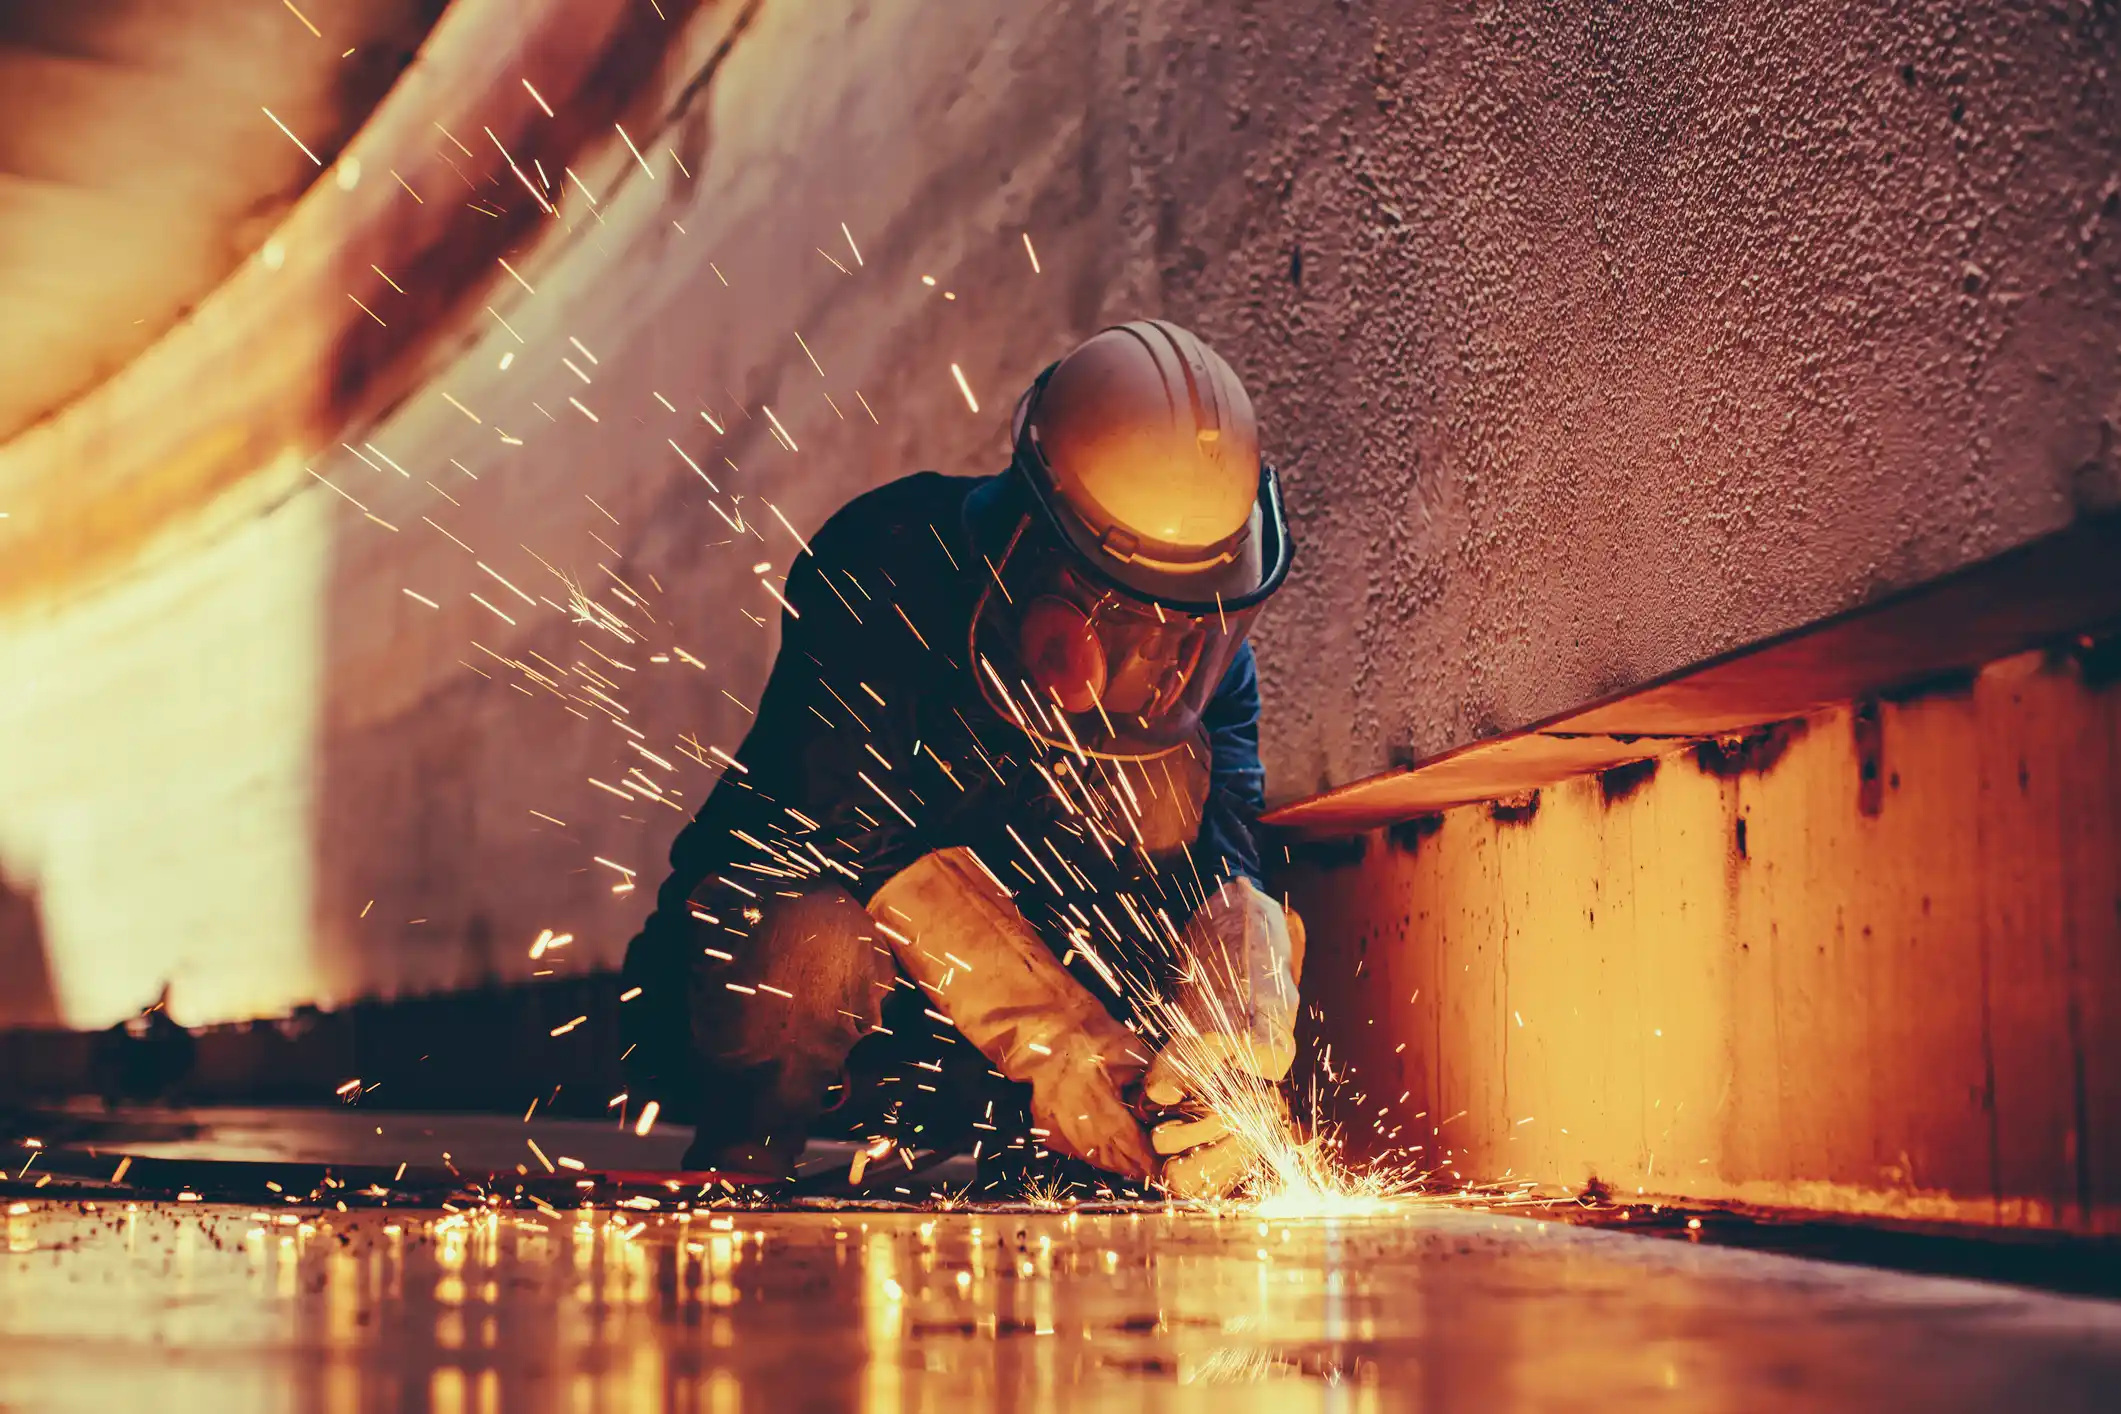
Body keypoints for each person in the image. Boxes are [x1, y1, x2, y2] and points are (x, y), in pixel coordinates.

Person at [621, 319, 1304, 1197]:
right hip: (803, 1005)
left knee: (1172, 786)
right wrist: (1057, 1048)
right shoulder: (886, 562)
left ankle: (1082, 1145)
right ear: (1045, 555)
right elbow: (861, 839)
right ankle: (745, 1160)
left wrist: (1231, 1026)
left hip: (1023, 1044)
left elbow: (1224, 859)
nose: (1161, 658)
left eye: (1184, 624)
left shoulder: (1196, 674)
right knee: (813, 950)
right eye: (1134, 619)